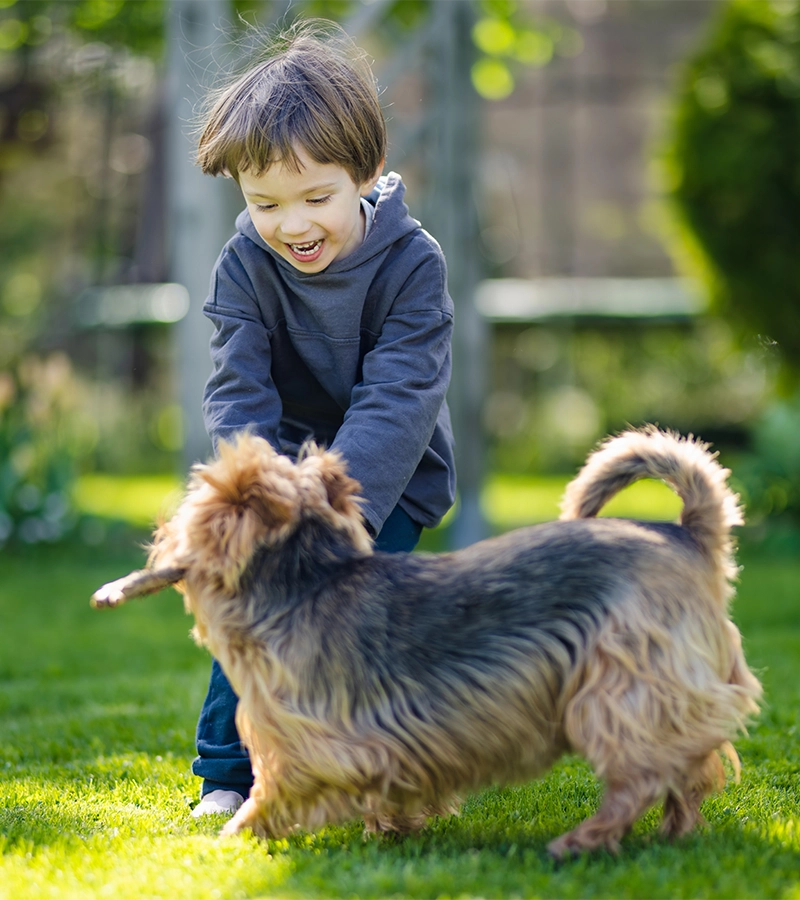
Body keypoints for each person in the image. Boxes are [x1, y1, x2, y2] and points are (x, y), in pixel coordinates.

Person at [189, 20, 457, 816]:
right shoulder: (243, 265)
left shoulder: (414, 265)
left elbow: (400, 398)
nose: (293, 225)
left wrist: (332, 510)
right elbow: (239, 392)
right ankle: (225, 775)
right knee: (253, 604)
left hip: (386, 481)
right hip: (278, 485)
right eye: (265, 203)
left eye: (317, 198)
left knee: (360, 627)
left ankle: (378, 770)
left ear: (366, 174)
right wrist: (268, 502)